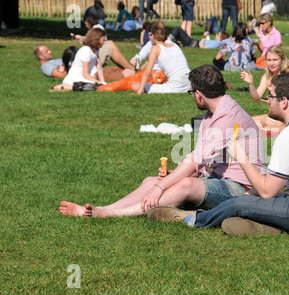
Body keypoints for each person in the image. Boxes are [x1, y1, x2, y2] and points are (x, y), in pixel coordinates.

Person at [148, 73, 289, 237]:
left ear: (285, 102)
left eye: (271, 97)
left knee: (239, 204)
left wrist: (241, 157)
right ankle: (265, 227)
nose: (267, 100)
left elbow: (267, 191)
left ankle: (193, 219)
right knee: (249, 201)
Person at [59, 64, 266, 218]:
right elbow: (201, 161)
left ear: (199, 94)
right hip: (217, 180)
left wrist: (163, 187)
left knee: (183, 184)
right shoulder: (212, 114)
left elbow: (195, 161)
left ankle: (109, 215)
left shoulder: (227, 116)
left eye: (192, 92)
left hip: (243, 189)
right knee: (152, 181)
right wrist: (166, 180)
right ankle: (105, 208)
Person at [132, 21, 191, 94]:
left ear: (153, 35)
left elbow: (147, 72)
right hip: (189, 83)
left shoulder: (155, 48)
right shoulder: (174, 45)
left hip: (176, 87)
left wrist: (139, 92)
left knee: (135, 85)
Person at [72, 16, 134, 81]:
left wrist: (81, 37)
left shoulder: (97, 28)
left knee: (110, 44)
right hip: (87, 69)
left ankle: (131, 69)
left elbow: (93, 40)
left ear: (89, 23)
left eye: (86, 24)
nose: (86, 25)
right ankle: (131, 69)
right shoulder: (87, 50)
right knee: (110, 45)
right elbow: (91, 41)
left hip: (93, 60)